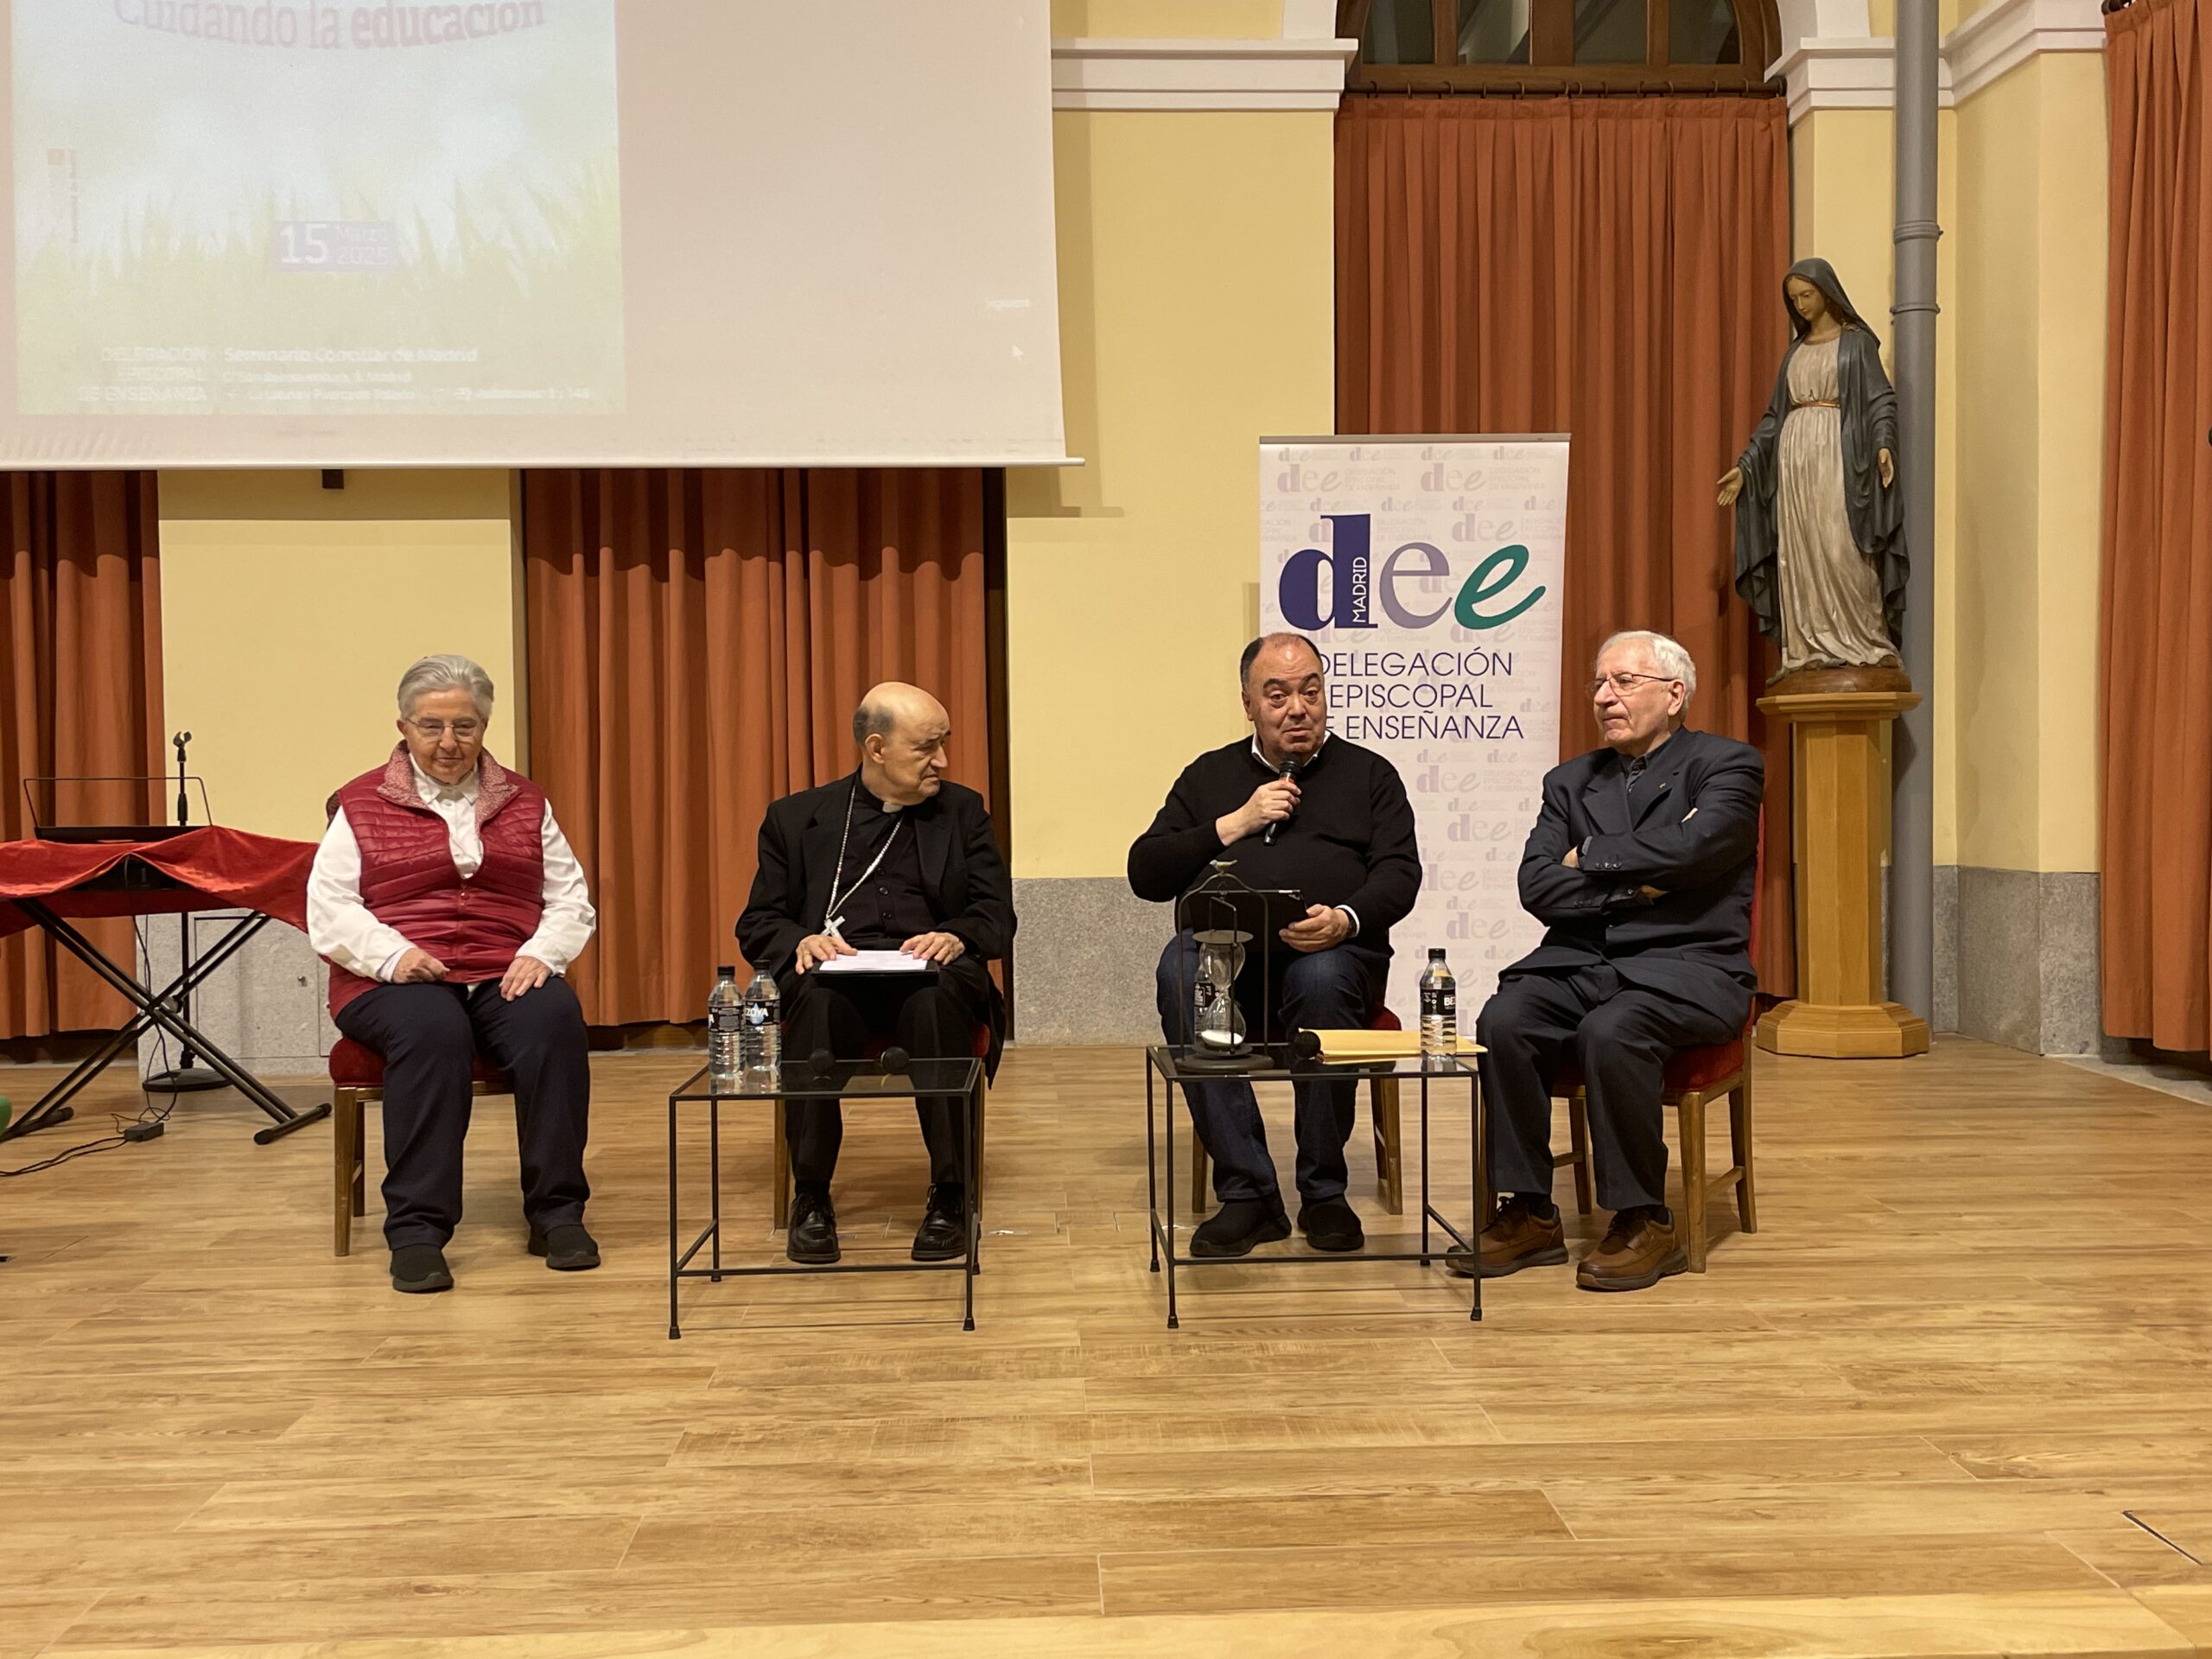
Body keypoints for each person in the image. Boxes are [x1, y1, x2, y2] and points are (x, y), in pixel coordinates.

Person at [1450, 630, 1761, 1293]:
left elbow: (1702, 847)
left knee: (1612, 1031)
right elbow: (1536, 885)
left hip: (1691, 965)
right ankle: (1530, 1210)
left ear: (1674, 694)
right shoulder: (1569, 782)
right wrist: (1640, 882)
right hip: (1580, 961)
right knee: (1505, 1019)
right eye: (1598, 683)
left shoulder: (1728, 765)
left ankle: (1646, 1219)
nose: (1603, 697)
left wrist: (1588, 857)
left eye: (1623, 682)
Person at [308, 654, 600, 1295]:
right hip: (390, 980)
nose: (449, 743)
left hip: (504, 971)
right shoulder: (359, 802)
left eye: (465, 727)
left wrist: (541, 954)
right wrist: (393, 956)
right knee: (433, 1029)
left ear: (485, 726)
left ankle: (557, 1215)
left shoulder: (526, 800)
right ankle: (416, 1231)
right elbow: (329, 907)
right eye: (432, 726)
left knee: (553, 1020)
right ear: (404, 727)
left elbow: (569, 897)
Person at [1128, 632, 1420, 1259]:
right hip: (1228, 964)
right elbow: (1146, 872)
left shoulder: (1370, 774)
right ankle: (1249, 1194)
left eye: (1310, 691)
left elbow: (1400, 875)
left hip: (1333, 959)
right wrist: (1236, 822)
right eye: (1279, 694)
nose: (1298, 708)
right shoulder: (1210, 775)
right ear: (1249, 705)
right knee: (1181, 971)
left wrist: (1346, 917)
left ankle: (1323, 1191)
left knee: (1319, 981)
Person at [737, 682, 1014, 1266]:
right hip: (838, 982)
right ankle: (810, 1196)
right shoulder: (796, 820)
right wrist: (803, 941)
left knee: (934, 1005)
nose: (942, 760)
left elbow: (996, 918)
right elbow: (758, 923)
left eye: (944, 744)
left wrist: (955, 934)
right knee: (812, 1004)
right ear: (877, 748)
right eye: (927, 748)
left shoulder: (963, 813)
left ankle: (952, 1195)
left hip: (935, 982)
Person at [1719, 257, 1906, 680]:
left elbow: (1881, 400)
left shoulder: (1856, 345)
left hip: (1841, 456)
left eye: (1807, 295)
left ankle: (1864, 640)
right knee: (1800, 551)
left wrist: (1883, 445)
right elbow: (1773, 419)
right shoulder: (1794, 354)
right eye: (1794, 299)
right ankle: (1809, 647)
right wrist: (1746, 467)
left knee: (1842, 547)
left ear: (1826, 293)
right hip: (1794, 462)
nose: (1801, 305)